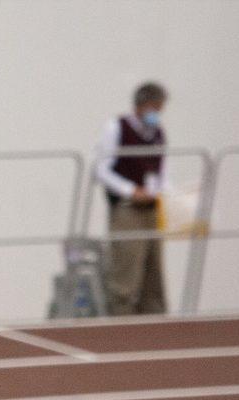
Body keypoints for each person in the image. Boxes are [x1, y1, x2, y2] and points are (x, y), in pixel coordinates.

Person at [95, 81, 170, 315]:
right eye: (155, 107)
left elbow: (163, 170)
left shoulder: (158, 133)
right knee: (126, 273)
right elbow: (100, 168)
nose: (157, 113)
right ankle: (121, 326)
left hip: (152, 208)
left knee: (153, 273)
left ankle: (156, 327)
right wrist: (130, 190)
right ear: (143, 104)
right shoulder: (116, 128)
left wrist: (164, 193)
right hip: (127, 209)